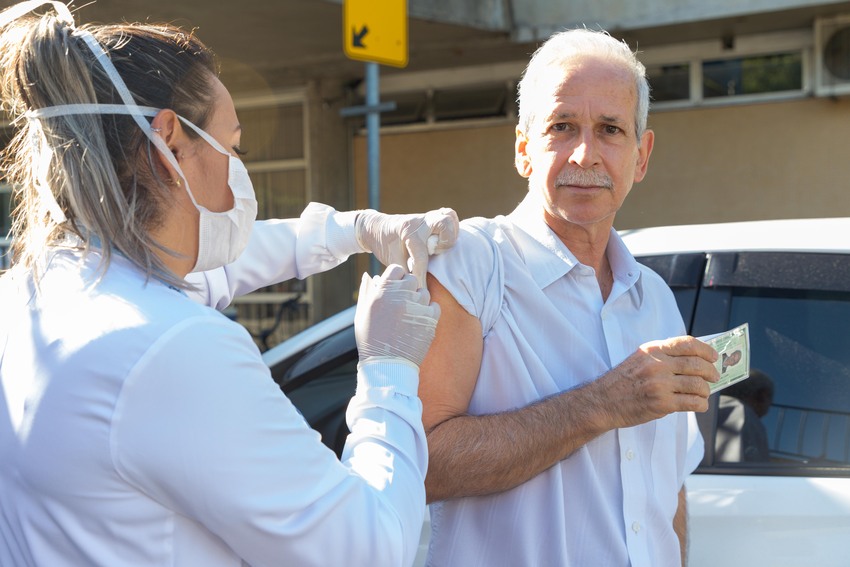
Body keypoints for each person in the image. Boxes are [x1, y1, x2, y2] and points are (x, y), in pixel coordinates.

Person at [0, 2, 458, 566]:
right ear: (170, 142)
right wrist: (390, 367)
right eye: (232, 147)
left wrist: (356, 229)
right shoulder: (174, 348)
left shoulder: (34, 295)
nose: (238, 172)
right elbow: (368, 548)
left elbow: (215, 265)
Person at [418, 28, 721, 566]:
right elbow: (423, 465)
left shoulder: (654, 299)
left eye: (610, 129)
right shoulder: (469, 264)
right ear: (523, 149)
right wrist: (602, 403)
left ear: (641, 156)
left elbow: (667, 494)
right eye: (562, 126)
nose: (587, 153)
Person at [716, 369, 774, 462]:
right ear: (762, 395)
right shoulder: (739, 414)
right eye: (771, 399)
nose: (771, 404)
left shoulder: (711, 409)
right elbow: (729, 467)